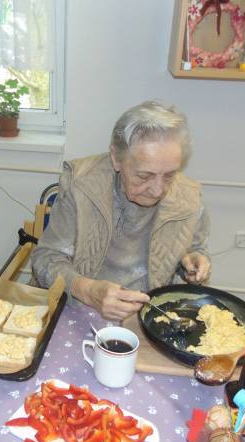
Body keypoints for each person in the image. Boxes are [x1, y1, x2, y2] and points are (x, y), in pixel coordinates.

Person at [31, 101, 211, 321]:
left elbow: (196, 249)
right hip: (78, 309)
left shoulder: (189, 198)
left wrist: (192, 263)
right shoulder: (81, 186)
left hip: (149, 317)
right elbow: (45, 259)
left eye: (169, 175)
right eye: (144, 176)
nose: (158, 190)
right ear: (116, 158)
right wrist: (88, 290)